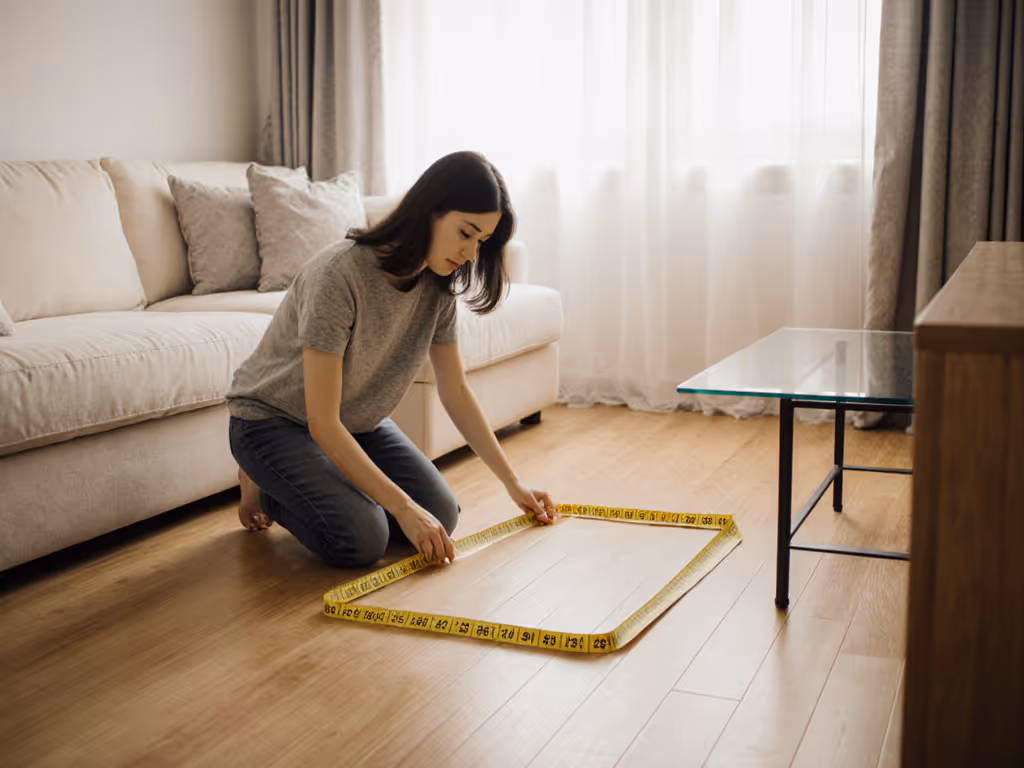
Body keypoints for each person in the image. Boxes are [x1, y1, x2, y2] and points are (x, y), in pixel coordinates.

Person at [226, 151, 556, 568]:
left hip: (354, 423)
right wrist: (400, 506)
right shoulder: (339, 276)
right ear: (429, 211)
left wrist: (514, 483)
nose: (471, 254)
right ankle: (267, 486)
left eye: (480, 242)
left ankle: (319, 481)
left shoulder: (438, 288)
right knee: (362, 539)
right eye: (465, 233)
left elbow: (455, 391)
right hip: (272, 422)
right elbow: (321, 422)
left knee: (442, 515)